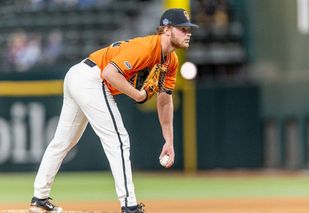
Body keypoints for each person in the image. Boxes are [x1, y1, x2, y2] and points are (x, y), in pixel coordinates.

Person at [29, 8, 198, 213]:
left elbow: (165, 101)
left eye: (188, 29)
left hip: (81, 75)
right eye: (183, 28)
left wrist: (168, 141)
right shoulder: (146, 47)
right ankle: (129, 205)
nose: (188, 32)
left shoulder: (171, 61)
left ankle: (39, 198)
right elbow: (109, 73)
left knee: (63, 142)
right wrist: (137, 95)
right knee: (118, 139)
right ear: (167, 30)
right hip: (91, 77)